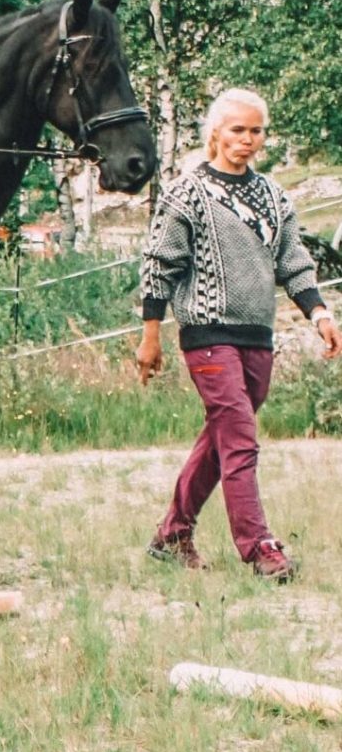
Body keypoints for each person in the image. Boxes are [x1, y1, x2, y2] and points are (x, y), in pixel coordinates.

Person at [138, 87, 338, 581]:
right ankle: (260, 548)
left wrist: (320, 316)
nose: (246, 140)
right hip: (207, 333)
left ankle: (172, 533)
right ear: (216, 133)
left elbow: (294, 264)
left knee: (223, 437)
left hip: (257, 335)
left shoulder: (274, 195)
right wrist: (150, 335)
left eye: (255, 131)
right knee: (241, 438)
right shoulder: (186, 193)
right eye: (237, 130)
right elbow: (159, 266)